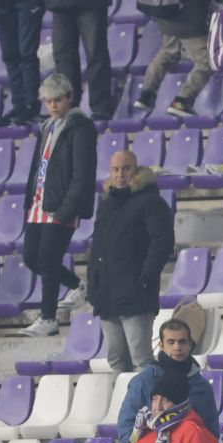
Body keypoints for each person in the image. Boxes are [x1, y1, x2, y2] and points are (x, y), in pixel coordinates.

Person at [17, 74, 96, 339]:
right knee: (31, 257)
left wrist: (66, 209)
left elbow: (82, 173)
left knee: (47, 260)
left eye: (57, 100)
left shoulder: (80, 127)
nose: (52, 105)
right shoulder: (48, 126)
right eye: (48, 101)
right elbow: (38, 166)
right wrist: (30, 198)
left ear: (69, 98)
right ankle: (76, 285)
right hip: (40, 202)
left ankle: (48, 318)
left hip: (60, 205)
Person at [87, 150, 173, 374]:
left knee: (141, 358)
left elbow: (162, 244)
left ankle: (146, 408)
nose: (120, 174)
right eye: (115, 169)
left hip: (136, 296)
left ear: (135, 170)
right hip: (107, 295)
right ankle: (123, 407)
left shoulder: (151, 202)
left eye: (125, 168)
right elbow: (98, 248)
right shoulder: (107, 205)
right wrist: (94, 283)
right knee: (116, 359)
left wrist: (144, 280)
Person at [117, 318, 217, 439]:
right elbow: (126, 426)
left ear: (190, 344)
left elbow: (211, 432)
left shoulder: (202, 386)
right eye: (171, 342)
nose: (177, 347)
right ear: (161, 345)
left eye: (182, 342)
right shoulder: (143, 381)